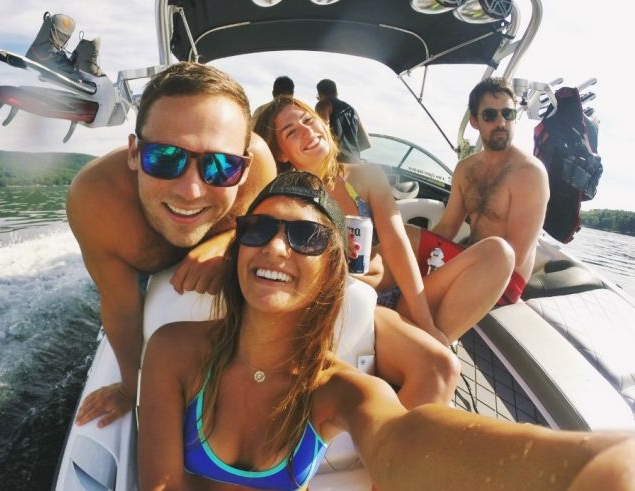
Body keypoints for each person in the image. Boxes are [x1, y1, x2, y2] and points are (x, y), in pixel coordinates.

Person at [138, 171, 635, 491]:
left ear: (333, 271)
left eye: (306, 236)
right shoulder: (175, 349)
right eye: (257, 230)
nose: (275, 248)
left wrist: (589, 472)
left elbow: (406, 438)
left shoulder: (339, 390)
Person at [254, 97, 514, 407]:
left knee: (499, 253)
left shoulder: (364, 177)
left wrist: (426, 323)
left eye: (308, 121)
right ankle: (414, 361)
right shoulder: (288, 194)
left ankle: (420, 343)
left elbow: (396, 242)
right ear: (281, 151)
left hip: (392, 299)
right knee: (440, 365)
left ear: (322, 122)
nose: (307, 132)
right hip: (354, 305)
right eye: (291, 131)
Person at [67, 62, 276, 428]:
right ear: (133, 153)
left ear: (244, 168)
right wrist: (132, 388)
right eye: (165, 158)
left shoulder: (260, 172)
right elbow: (121, 306)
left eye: (221, 167)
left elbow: (271, 227)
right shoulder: (95, 199)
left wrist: (231, 239)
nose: (190, 190)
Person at [423, 77, 550, 305]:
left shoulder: (530, 173)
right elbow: (447, 228)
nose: (501, 122)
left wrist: (448, 267)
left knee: (415, 293)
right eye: (491, 115)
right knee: (406, 239)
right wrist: (410, 250)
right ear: (474, 121)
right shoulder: (465, 169)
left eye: (508, 114)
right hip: (468, 258)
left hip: (505, 277)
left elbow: (514, 254)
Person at [316, 78, 370, 163]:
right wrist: (349, 153)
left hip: (337, 164)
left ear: (319, 94)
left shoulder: (323, 104)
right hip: (356, 163)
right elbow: (366, 142)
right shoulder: (352, 110)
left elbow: (322, 134)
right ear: (336, 92)